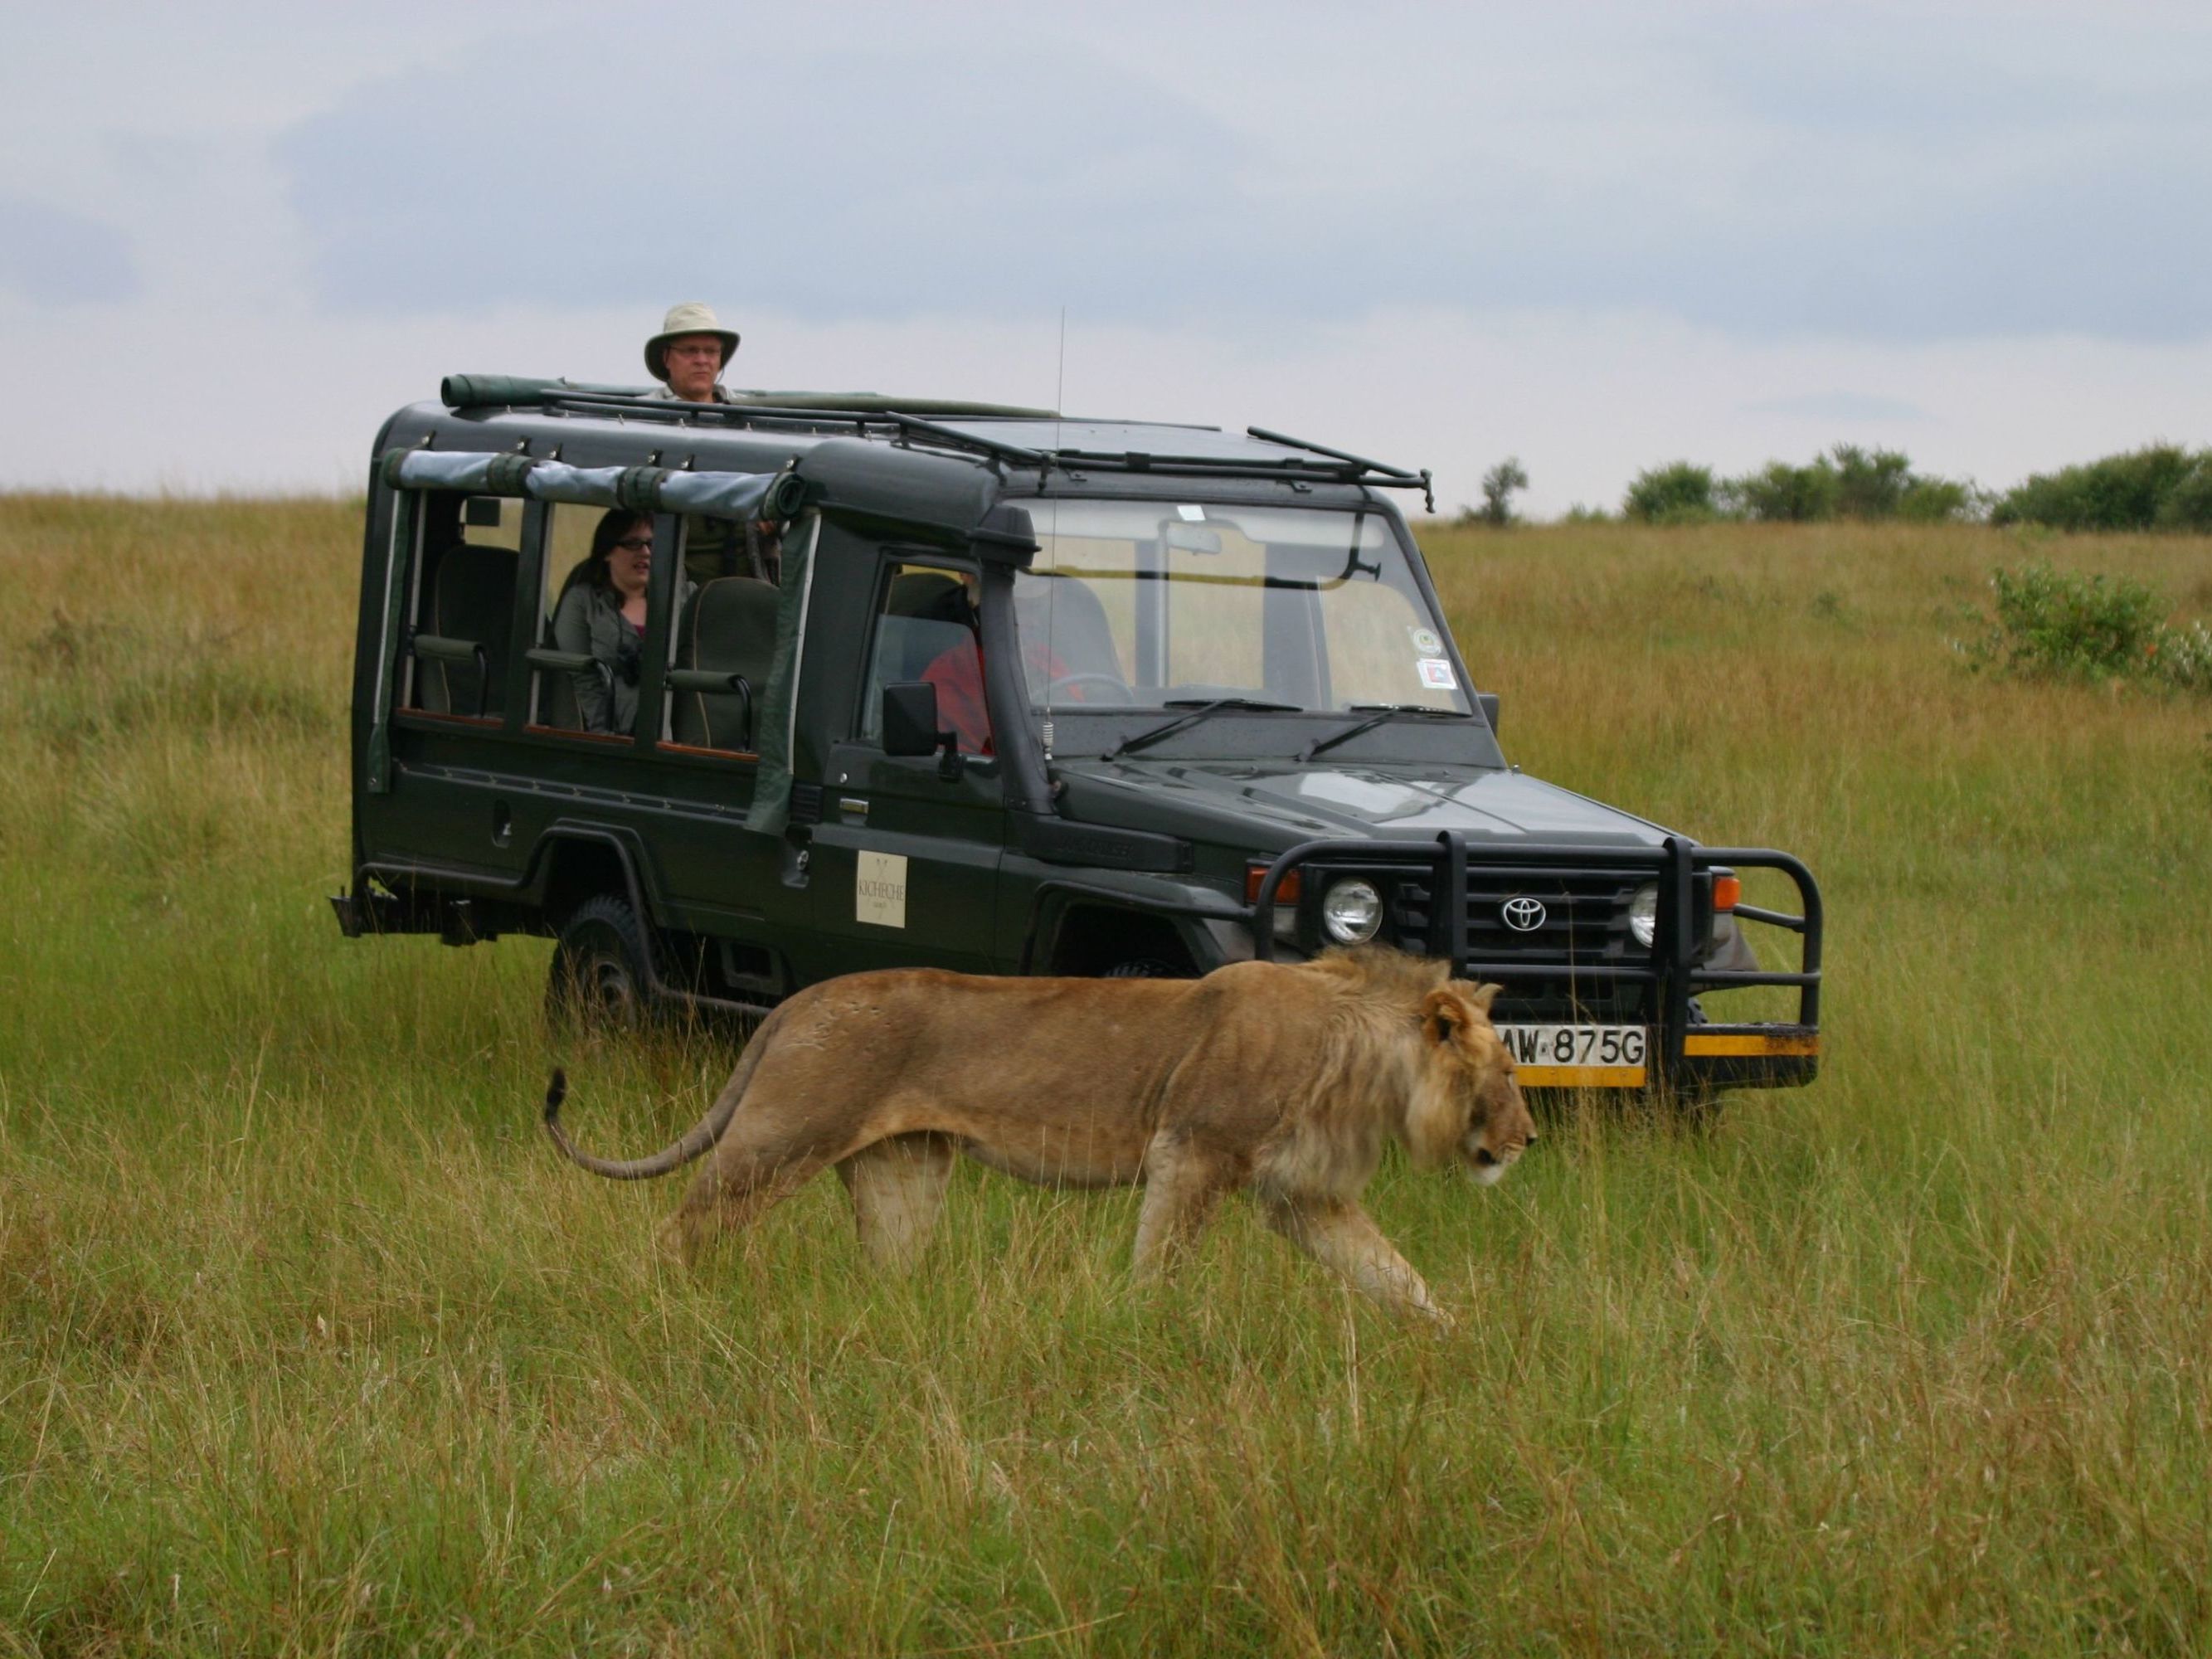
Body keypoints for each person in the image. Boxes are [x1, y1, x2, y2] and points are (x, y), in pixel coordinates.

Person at [550, 510, 693, 734]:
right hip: (618, 728)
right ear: (607, 551)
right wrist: (604, 738)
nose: (645, 552)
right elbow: (584, 681)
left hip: (682, 721)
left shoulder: (685, 597)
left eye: (651, 544)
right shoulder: (583, 602)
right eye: (633, 544)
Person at [644, 301, 743, 404]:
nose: (701, 360)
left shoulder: (748, 408)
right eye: (690, 351)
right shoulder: (641, 411)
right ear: (666, 358)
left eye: (711, 351)